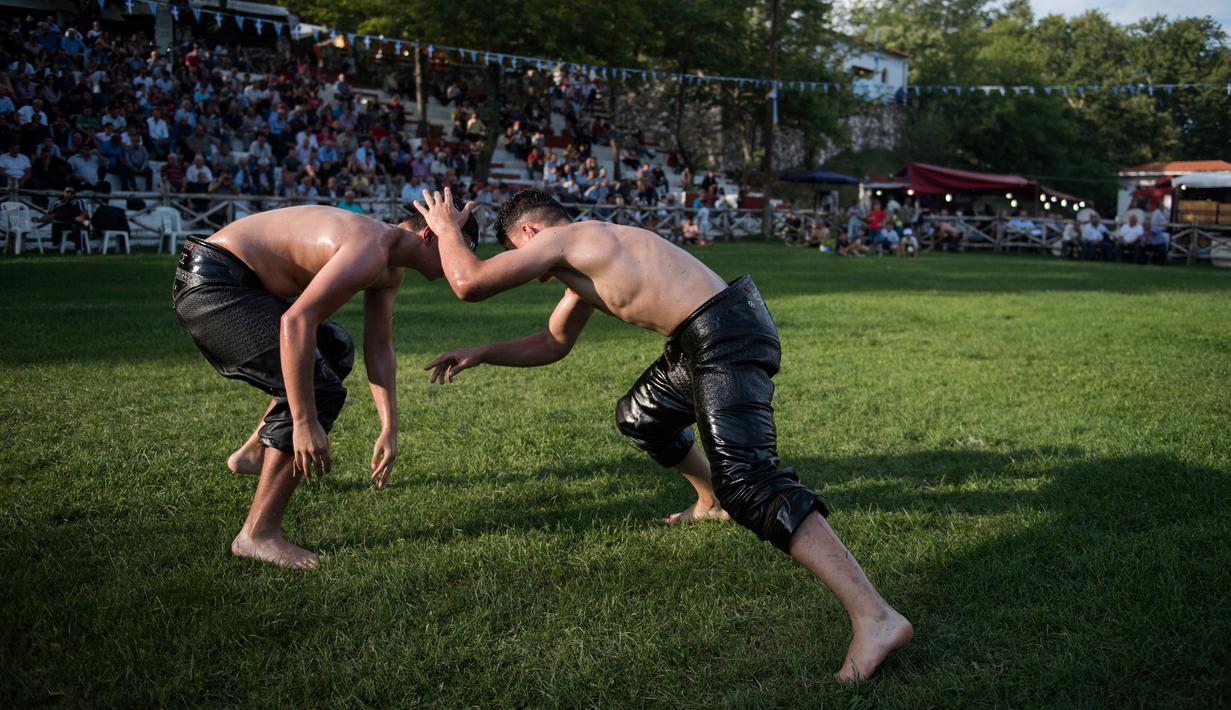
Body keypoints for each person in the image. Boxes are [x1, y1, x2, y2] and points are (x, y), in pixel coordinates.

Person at [417, 188, 912, 682]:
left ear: (530, 232)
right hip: (704, 335)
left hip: (723, 332)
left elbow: (469, 282)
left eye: (512, 252)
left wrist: (445, 229)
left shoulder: (567, 238)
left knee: (751, 482)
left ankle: (876, 616)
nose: (522, 267)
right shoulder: (585, 261)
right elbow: (552, 342)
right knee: (642, 416)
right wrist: (483, 351)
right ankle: (709, 499)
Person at [171, 202, 479, 569]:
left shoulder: (389, 265)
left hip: (237, 282)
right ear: (429, 235)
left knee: (334, 349)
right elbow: (297, 322)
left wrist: (389, 427)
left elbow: (378, 347)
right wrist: (303, 422)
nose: (458, 265)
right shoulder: (372, 247)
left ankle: (254, 453)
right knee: (320, 388)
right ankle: (258, 534)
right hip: (215, 283)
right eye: (458, 248)